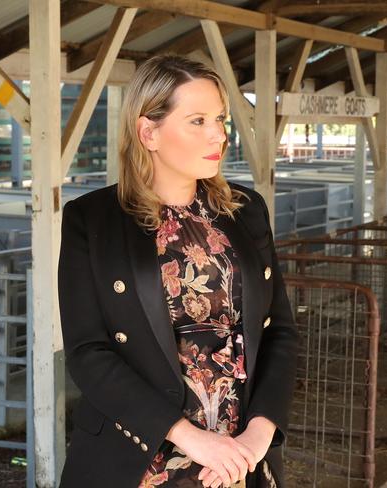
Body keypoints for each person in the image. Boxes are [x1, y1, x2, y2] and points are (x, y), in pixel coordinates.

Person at [57, 54, 298, 488]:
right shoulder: (91, 221)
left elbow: (279, 327)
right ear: (148, 131)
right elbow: (88, 353)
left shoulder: (246, 211)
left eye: (220, 119)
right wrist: (189, 437)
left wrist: (261, 432)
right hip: (140, 458)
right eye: (198, 121)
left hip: (241, 458)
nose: (219, 136)